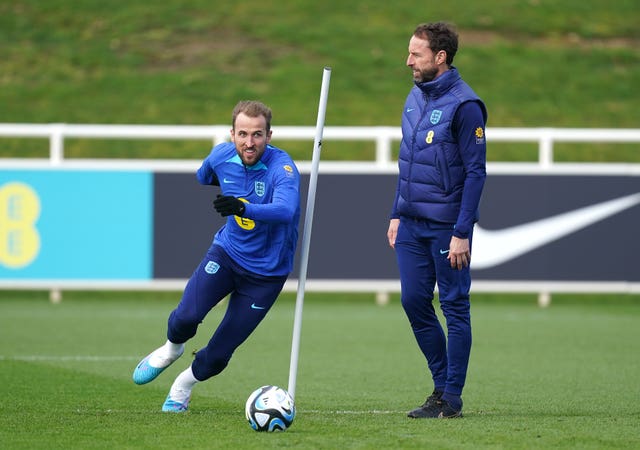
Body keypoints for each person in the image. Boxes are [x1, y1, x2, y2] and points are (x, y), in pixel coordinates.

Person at [132, 100, 301, 412]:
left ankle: (182, 385)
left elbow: (285, 210)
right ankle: (171, 350)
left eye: (257, 135)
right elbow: (203, 176)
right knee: (185, 317)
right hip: (227, 254)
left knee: (221, 352)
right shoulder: (220, 156)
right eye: (243, 134)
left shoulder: (283, 168)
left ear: (269, 135)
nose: (249, 143)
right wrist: (229, 191)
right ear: (232, 133)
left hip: (267, 274)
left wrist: (241, 206)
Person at [386, 22, 487, 419]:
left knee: (454, 306)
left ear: (440, 58)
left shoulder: (466, 106)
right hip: (410, 223)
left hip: (447, 227)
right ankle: (440, 385)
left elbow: (476, 173)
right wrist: (396, 212)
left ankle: (451, 398)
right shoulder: (414, 95)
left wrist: (463, 232)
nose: (408, 60)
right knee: (413, 301)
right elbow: (407, 162)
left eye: (416, 54)